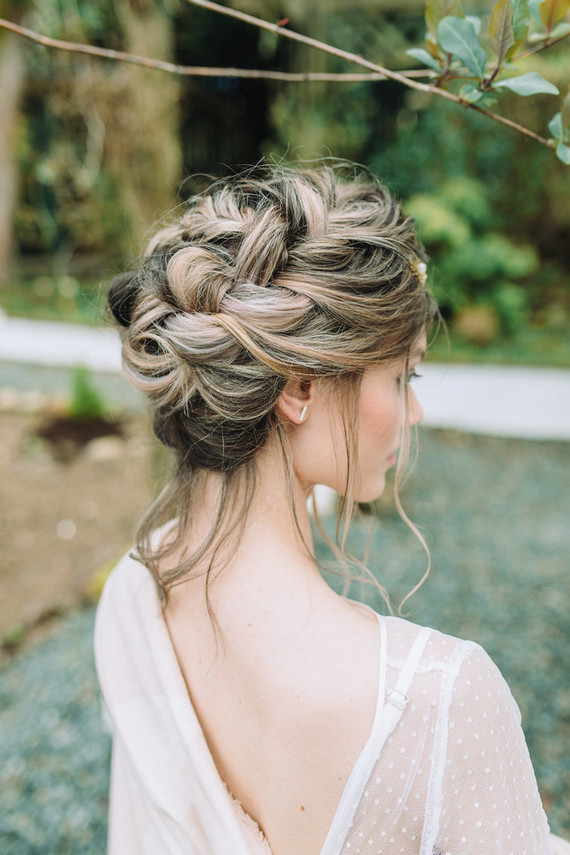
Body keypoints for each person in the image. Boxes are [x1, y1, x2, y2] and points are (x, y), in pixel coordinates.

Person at [95, 164, 568, 855]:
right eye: (402, 375)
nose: (414, 411)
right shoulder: (439, 703)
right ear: (299, 388)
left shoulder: (136, 590)